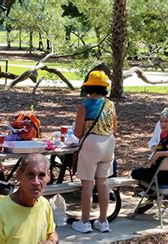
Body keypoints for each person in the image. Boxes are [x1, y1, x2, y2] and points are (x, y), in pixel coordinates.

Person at [72, 70, 118, 233]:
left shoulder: (84, 106)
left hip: (92, 143)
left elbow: (77, 133)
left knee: (87, 185)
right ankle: (103, 221)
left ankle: (85, 222)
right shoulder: (110, 104)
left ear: (89, 86)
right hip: (108, 143)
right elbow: (115, 127)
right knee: (103, 183)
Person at [0, 154, 58, 244]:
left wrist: (52, 240)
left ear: (48, 177)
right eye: (30, 175)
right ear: (19, 175)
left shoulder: (44, 204)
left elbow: (51, 232)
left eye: (41, 175)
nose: (36, 182)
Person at [132, 107, 168, 187]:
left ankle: (153, 194)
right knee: (141, 171)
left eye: (166, 121)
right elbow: (162, 147)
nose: (163, 124)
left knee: (135, 173)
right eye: (161, 121)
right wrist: (156, 149)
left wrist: (159, 154)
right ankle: (155, 195)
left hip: (165, 177)